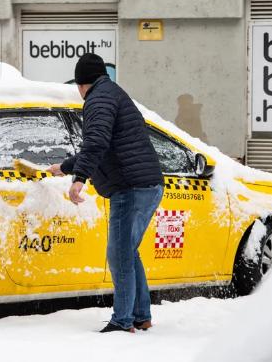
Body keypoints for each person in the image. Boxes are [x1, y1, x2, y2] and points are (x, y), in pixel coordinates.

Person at [47, 53, 164, 334]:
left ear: (81, 83)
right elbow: (103, 145)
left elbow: (96, 142)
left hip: (131, 187)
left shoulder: (97, 100)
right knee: (127, 252)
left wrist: (79, 179)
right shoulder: (112, 94)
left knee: (119, 254)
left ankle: (123, 321)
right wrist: (65, 167)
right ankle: (141, 315)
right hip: (146, 184)